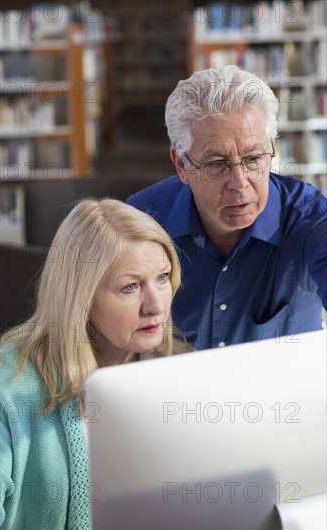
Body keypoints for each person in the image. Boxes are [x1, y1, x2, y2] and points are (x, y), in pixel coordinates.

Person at [0, 198, 191, 530]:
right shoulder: (16, 374)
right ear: (81, 298)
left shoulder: (183, 368)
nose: (156, 305)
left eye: (161, 278)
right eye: (130, 287)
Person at [127, 65, 327, 350]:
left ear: (272, 151)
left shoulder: (311, 219)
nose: (239, 183)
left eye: (253, 158)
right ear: (181, 163)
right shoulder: (142, 219)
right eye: (217, 164)